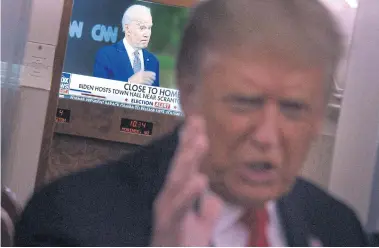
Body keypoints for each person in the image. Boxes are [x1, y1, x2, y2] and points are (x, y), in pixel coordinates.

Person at [15, 0, 369, 246]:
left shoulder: (339, 228)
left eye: (294, 108)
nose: (267, 136)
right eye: (244, 103)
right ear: (189, 91)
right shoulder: (69, 222)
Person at [93, 5, 160, 87]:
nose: (147, 34)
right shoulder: (106, 55)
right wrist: (128, 82)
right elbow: (98, 90)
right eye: (142, 28)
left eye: (149, 28)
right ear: (127, 29)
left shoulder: (153, 61)